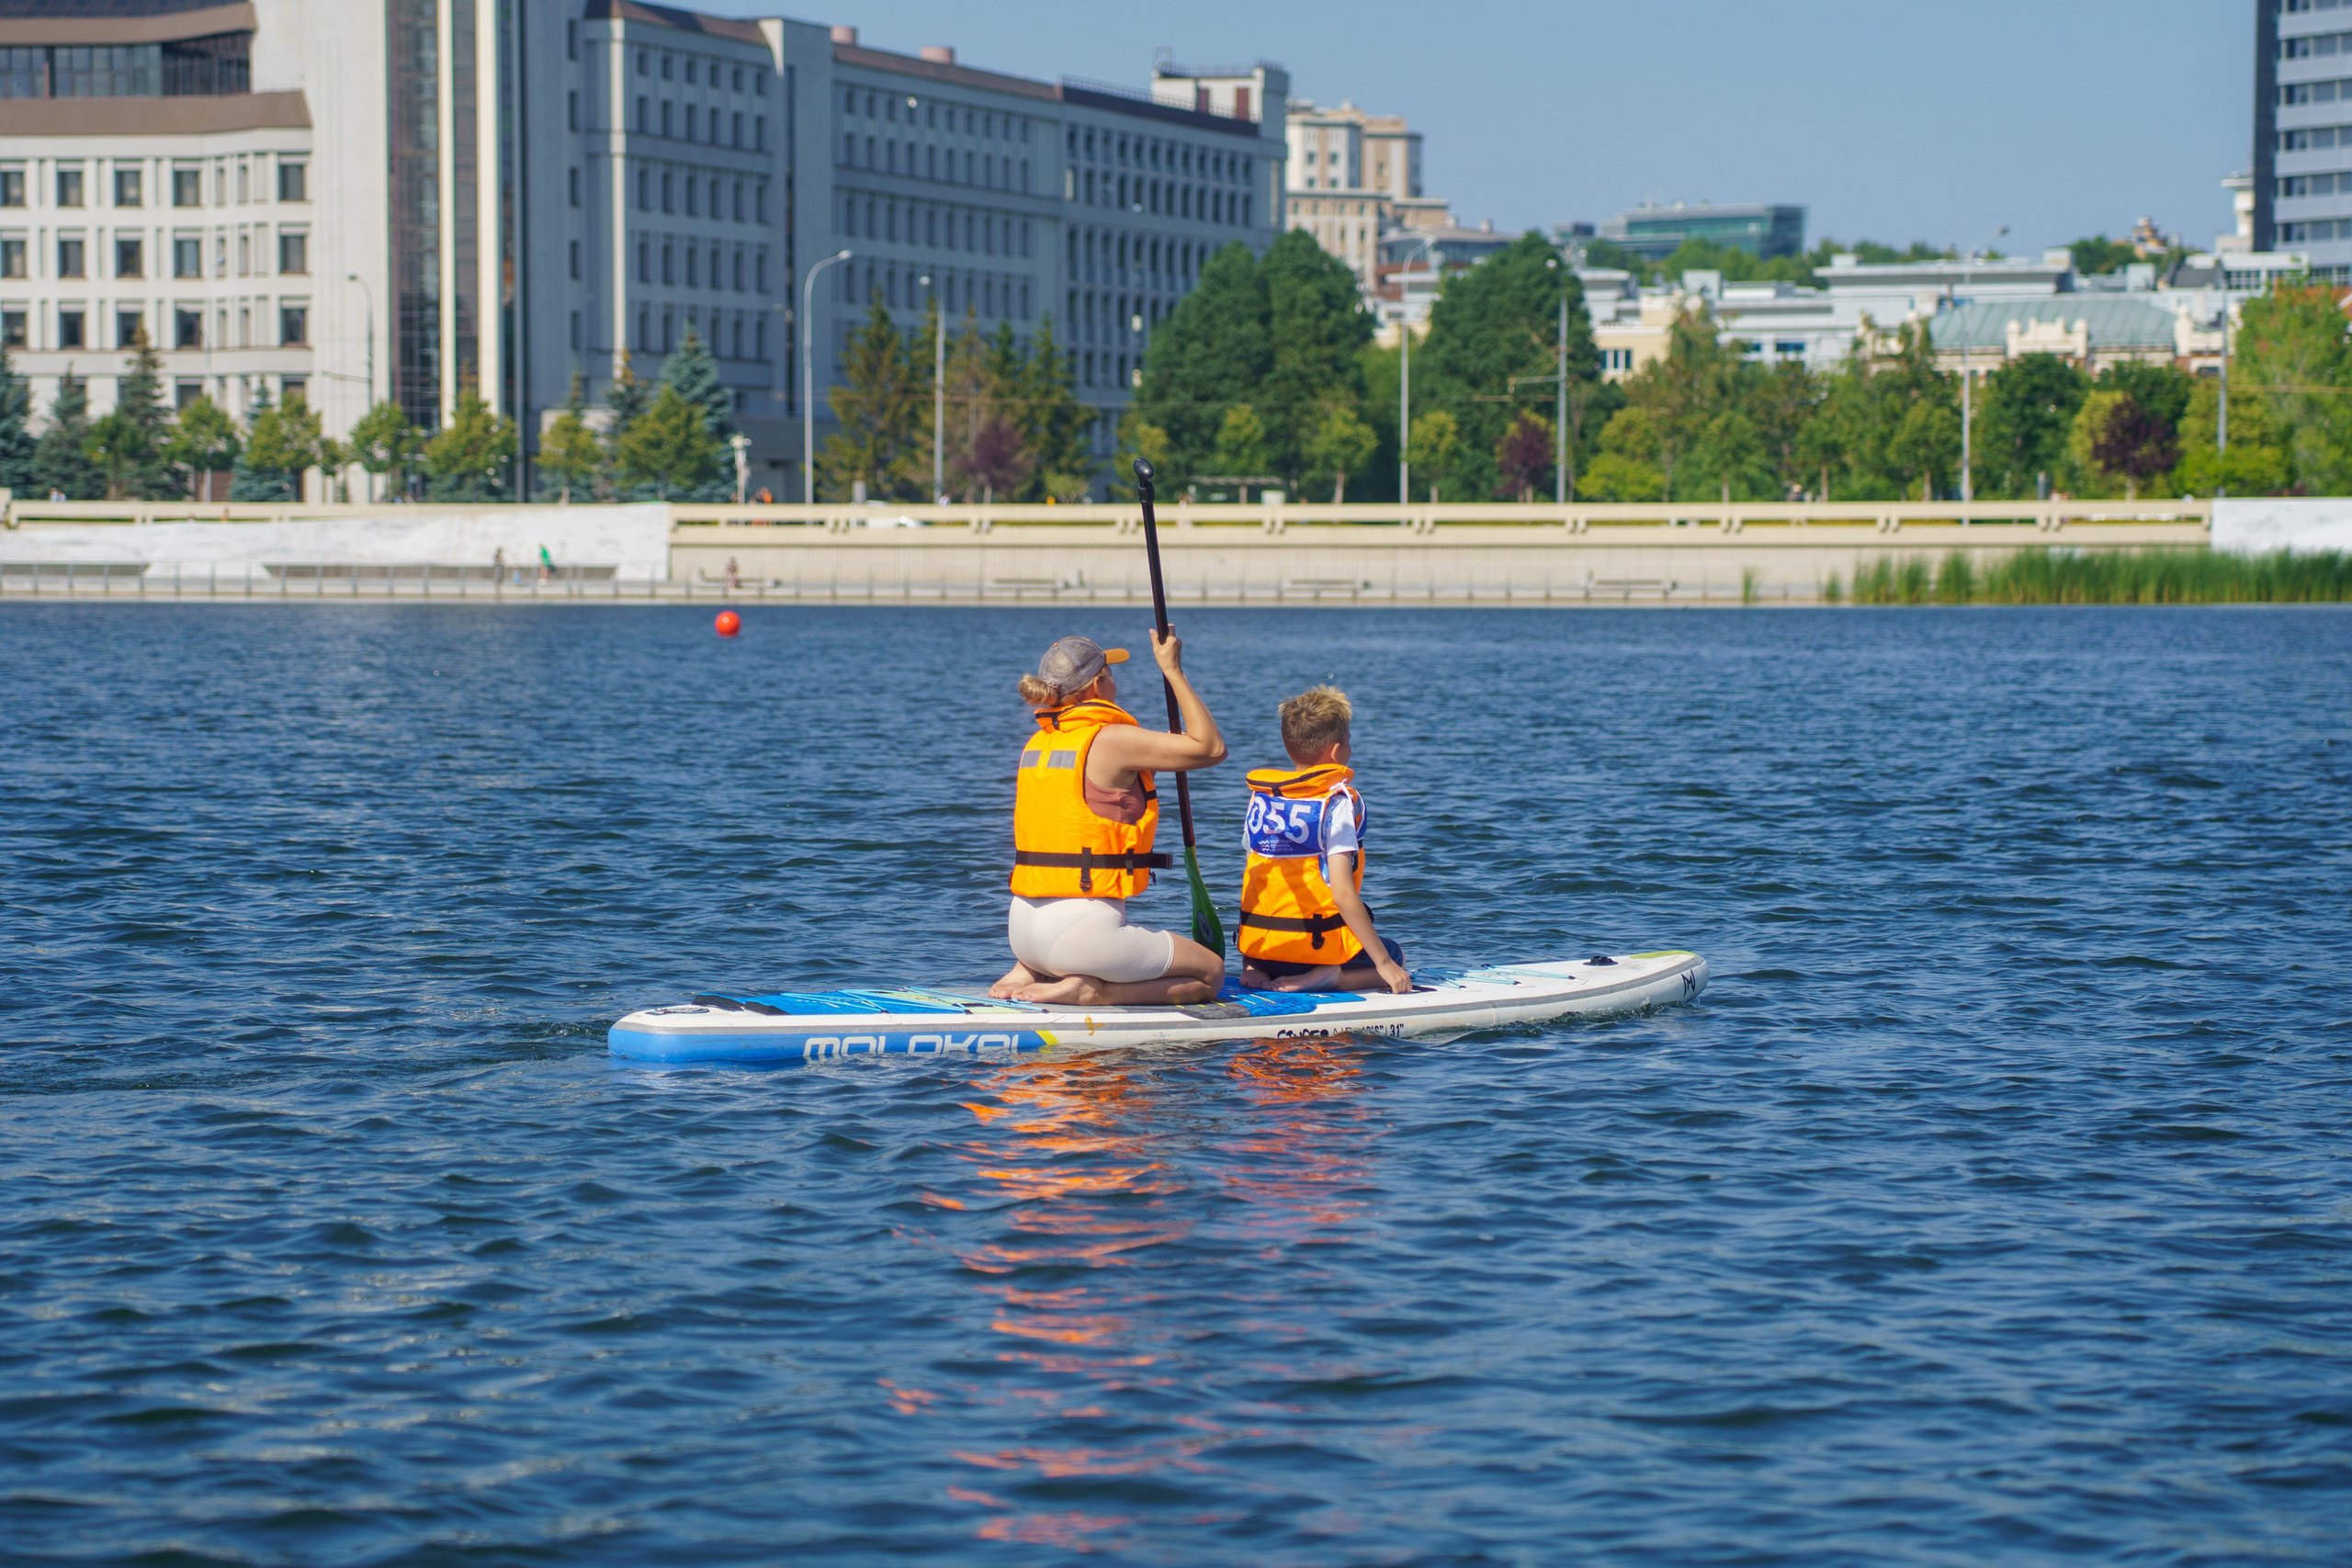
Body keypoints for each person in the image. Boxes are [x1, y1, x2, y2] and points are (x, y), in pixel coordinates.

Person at [992, 632, 1228, 1007]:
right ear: (1097, 685)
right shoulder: (1114, 739)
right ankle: (1094, 991)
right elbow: (1211, 748)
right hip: (1082, 936)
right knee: (1210, 973)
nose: (1114, 682)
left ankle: (1033, 970)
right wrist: (1173, 672)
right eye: (1110, 674)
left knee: (1068, 945)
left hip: (1022, 931)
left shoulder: (1040, 743)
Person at [1238, 686, 1411, 995]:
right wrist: (1384, 963)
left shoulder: (1264, 798)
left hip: (1262, 947)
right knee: (1396, 954)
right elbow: (1343, 895)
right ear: (1335, 751)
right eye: (1348, 742)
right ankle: (1331, 977)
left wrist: (1253, 955)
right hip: (1311, 952)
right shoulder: (1336, 803)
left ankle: (1254, 966)